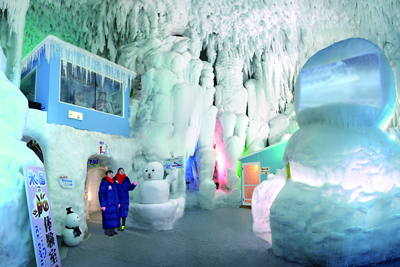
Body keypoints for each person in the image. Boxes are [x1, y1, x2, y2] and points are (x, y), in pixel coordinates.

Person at [98, 170, 121, 237]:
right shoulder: (104, 183)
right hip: (107, 204)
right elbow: (101, 194)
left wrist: (119, 202)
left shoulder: (114, 183)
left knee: (114, 217)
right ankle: (107, 232)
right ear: (106, 175)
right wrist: (103, 205)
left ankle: (113, 230)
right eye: (109, 173)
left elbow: (118, 193)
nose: (111, 174)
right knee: (108, 217)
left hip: (115, 204)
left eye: (112, 173)